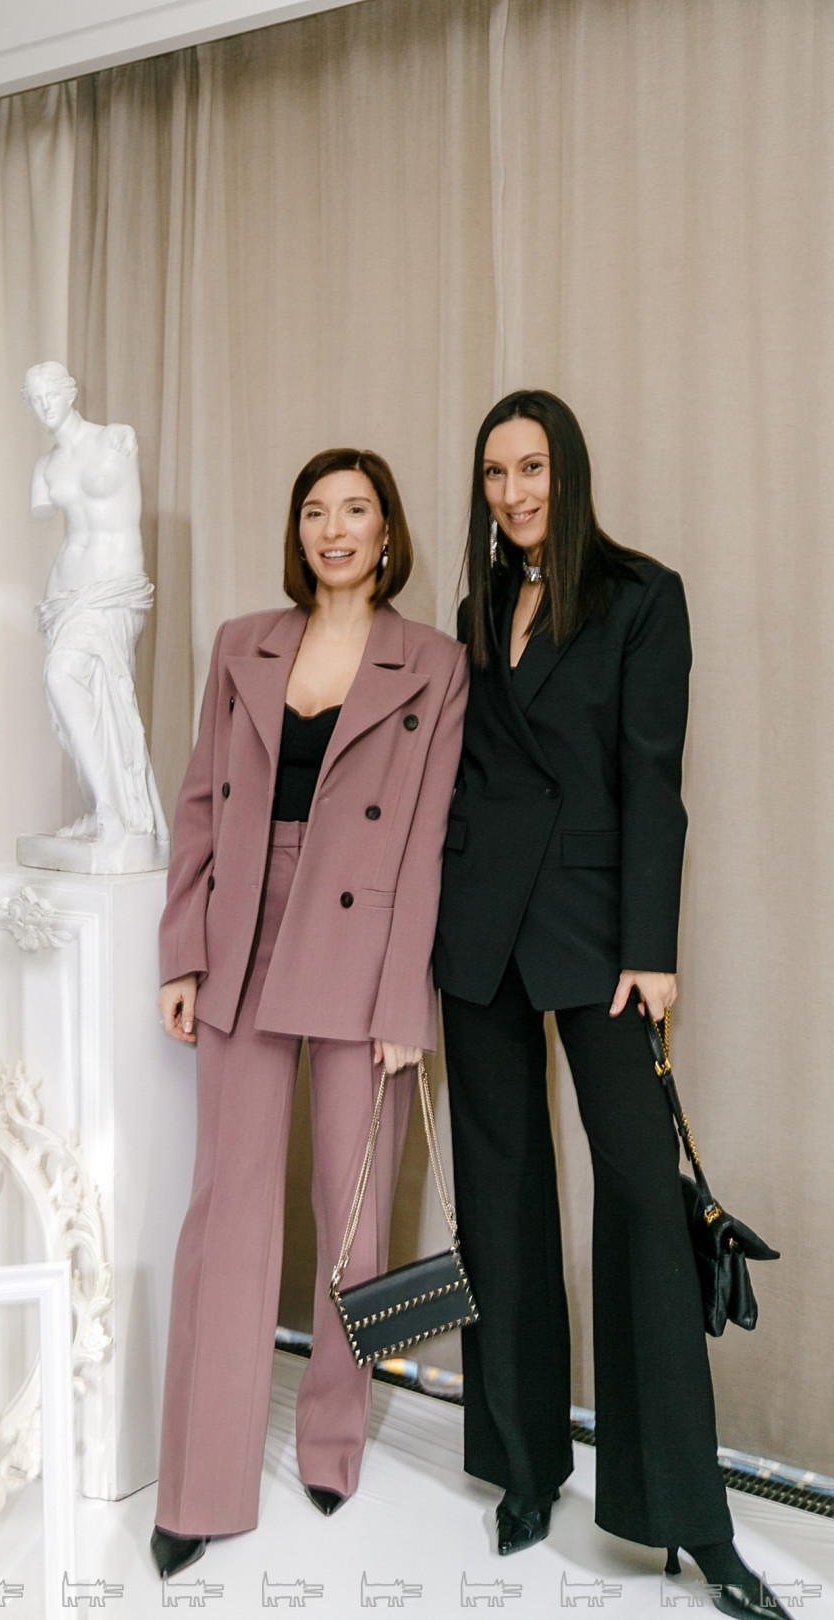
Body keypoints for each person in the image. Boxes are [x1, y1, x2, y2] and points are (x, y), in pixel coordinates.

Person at [433, 391, 788, 1620]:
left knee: (640, 1197)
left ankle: (690, 1518)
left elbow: (653, 780)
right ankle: (526, 1469)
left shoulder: (643, 596)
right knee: (500, 1197)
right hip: (477, 933)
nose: (514, 493)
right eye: (495, 475)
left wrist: (652, 947)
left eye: (532, 468)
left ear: (569, 471)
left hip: (597, 936)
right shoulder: (477, 610)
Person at [151, 448, 467, 1577]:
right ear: (299, 532)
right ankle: (200, 1482)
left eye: (356, 511)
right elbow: (200, 803)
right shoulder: (243, 642)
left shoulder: (433, 663)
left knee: (354, 1209)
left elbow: (426, 844)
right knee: (227, 1206)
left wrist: (402, 998)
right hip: (242, 929)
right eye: (316, 511)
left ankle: (335, 1438)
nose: (335, 529)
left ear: (386, 533)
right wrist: (182, 952)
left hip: (360, 944)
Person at [21, 361, 168, 866]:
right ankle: (103, 807)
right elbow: (51, 516)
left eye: (51, 394)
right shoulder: (45, 469)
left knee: (74, 681)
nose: (45, 406)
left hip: (114, 587)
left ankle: (115, 811)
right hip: (65, 593)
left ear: (71, 392)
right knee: (78, 699)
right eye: (35, 399)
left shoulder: (115, 439)